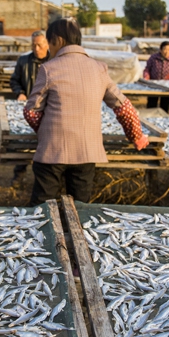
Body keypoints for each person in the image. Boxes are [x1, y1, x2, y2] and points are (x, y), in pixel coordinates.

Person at [23, 18, 149, 205]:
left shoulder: (49, 69)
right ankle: (76, 232)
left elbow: (31, 111)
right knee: (80, 206)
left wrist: (47, 129)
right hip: (87, 151)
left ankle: (46, 232)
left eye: (49, 43)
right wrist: (136, 136)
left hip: (52, 152)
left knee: (43, 205)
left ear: (57, 40)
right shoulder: (99, 68)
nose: (49, 49)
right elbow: (123, 107)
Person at [9, 31, 49, 184]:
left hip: (48, 109)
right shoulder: (24, 61)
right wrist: (20, 92)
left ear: (47, 44)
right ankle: (19, 174)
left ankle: (43, 178)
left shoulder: (55, 60)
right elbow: (14, 81)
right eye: (34, 45)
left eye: (39, 45)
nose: (36, 48)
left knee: (46, 143)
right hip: (28, 108)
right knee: (24, 142)